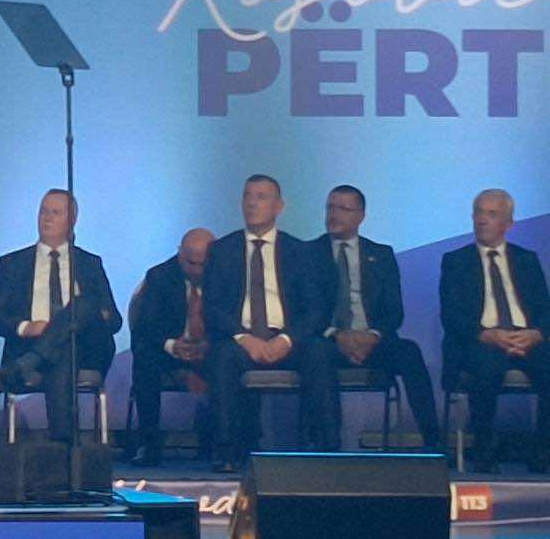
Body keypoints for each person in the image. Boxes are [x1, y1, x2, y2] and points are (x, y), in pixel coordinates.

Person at [203, 174, 337, 473]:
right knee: (222, 356)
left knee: (319, 352)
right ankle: (227, 451)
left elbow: (316, 309)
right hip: (242, 341)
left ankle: (327, 449)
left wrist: (286, 340)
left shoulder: (300, 251)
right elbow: (212, 307)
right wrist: (244, 338)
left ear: (279, 206)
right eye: (247, 196)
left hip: (287, 340)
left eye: (261, 197)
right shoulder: (222, 250)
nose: (252, 203)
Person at [310, 185, 442, 453]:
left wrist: (371, 336)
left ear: (361, 216)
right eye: (331, 207)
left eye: (343, 209)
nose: (334, 215)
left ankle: (434, 443)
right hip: (329, 340)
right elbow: (306, 308)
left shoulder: (381, 255)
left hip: (373, 341)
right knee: (315, 354)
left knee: (409, 352)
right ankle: (329, 446)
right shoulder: (308, 253)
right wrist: (338, 334)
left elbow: (394, 312)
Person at [0, 189, 121, 444]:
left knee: (83, 304)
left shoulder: (90, 263)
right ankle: (64, 444)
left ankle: (28, 363)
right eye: (43, 211)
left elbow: (114, 320)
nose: (46, 218)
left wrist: (91, 315)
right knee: (62, 349)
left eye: (55, 213)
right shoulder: (12, 263)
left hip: (86, 348)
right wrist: (26, 327)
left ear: (72, 221)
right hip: (31, 344)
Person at [441, 188, 548, 473]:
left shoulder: (526, 259)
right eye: (478, 212)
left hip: (526, 337)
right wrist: (488, 334)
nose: (482, 220)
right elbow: (452, 316)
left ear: (508, 223)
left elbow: (544, 307)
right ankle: (485, 453)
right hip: (481, 339)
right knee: (485, 367)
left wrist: (536, 334)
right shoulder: (455, 261)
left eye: (491, 214)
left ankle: (543, 452)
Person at [129, 228, 214, 466]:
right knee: (145, 359)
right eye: (190, 263)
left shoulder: (225, 276)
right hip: (168, 348)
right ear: (179, 254)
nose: (197, 270)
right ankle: (148, 442)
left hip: (210, 347)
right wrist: (172, 345)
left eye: (203, 264)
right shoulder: (159, 276)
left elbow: (233, 320)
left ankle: (222, 444)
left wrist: (207, 345)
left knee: (229, 359)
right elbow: (145, 324)